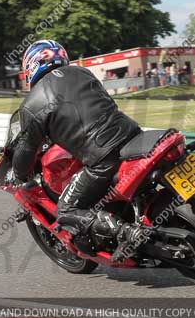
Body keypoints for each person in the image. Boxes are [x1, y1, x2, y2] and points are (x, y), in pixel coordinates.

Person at [10, 39, 146, 256]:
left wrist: (19, 174)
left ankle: (125, 230)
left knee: (66, 210)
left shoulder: (32, 104)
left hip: (103, 157)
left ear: (32, 65)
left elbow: (26, 149)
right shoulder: (83, 73)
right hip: (133, 137)